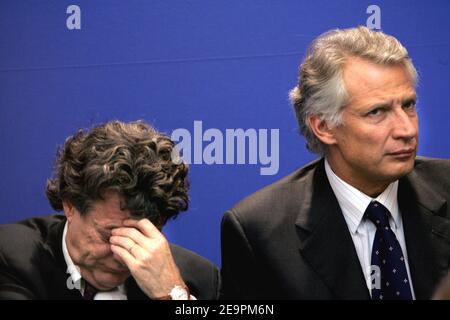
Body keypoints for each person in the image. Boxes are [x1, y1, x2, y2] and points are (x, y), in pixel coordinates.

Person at [221, 26, 450, 300]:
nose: (407, 130)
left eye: (408, 105)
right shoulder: (259, 231)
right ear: (324, 126)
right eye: (377, 112)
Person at [0, 120, 219, 300]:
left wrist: (173, 296)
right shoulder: (11, 259)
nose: (121, 257)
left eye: (139, 237)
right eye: (110, 235)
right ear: (70, 205)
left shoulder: (197, 280)